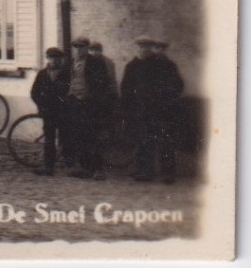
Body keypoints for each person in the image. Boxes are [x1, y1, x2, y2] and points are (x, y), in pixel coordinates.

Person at [122, 37, 184, 183]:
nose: (144, 50)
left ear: (151, 48)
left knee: (165, 142)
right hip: (140, 111)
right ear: (137, 48)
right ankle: (144, 172)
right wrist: (129, 109)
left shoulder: (162, 65)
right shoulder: (131, 66)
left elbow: (176, 85)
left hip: (161, 111)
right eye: (142, 47)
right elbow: (126, 89)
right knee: (143, 141)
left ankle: (168, 173)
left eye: (147, 47)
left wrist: (167, 101)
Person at [64, 36, 116, 179]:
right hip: (75, 102)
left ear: (87, 48)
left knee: (93, 136)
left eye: (81, 47)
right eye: (76, 47)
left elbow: (102, 83)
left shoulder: (96, 63)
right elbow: (69, 80)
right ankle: (84, 167)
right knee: (79, 135)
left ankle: (98, 169)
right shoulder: (72, 62)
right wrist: (70, 96)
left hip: (91, 103)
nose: (79, 49)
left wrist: (96, 100)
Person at [29, 46, 70, 175]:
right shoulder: (42, 74)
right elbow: (34, 92)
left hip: (63, 110)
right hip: (48, 111)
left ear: (61, 59)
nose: (54, 61)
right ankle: (49, 167)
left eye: (57, 58)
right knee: (49, 139)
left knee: (66, 137)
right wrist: (41, 105)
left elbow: (72, 90)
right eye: (51, 58)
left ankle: (69, 165)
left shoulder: (67, 73)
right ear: (47, 59)